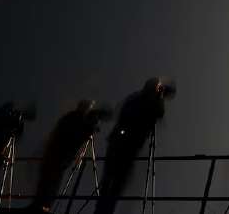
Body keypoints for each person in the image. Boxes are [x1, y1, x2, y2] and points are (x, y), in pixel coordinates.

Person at [96, 77, 176, 214]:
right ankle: (104, 210)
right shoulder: (145, 100)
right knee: (115, 182)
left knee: (113, 182)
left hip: (122, 143)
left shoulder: (137, 98)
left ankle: (102, 210)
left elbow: (157, 114)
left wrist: (159, 98)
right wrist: (159, 98)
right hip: (126, 145)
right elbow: (158, 113)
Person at [31, 100, 112, 212]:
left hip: (56, 154)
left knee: (48, 180)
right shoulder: (76, 120)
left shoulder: (71, 118)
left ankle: (40, 205)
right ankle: (43, 206)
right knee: (52, 182)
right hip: (61, 155)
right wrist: (90, 128)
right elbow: (78, 136)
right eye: (89, 108)